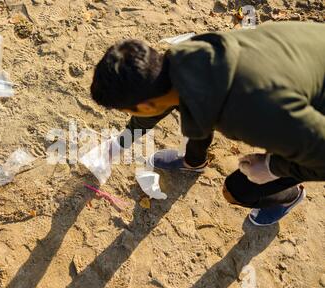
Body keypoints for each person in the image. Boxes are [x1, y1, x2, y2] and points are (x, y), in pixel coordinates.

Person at [89, 21, 325, 226]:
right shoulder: (185, 56)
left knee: (237, 189)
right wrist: (120, 143)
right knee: (197, 111)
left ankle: (290, 197)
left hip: (305, 113)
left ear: (146, 104)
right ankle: (194, 162)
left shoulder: (246, 112)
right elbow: (160, 107)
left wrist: (272, 167)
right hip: (308, 59)